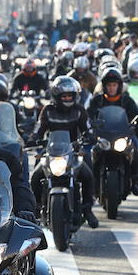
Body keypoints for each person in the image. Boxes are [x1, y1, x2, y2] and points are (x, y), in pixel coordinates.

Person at [29, 76, 98, 228]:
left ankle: (87, 209)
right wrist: (33, 138)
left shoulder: (79, 110)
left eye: (70, 95)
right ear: (56, 97)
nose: (67, 98)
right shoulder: (47, 110)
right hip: (52, 152)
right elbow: (39, 129)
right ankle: (35, 208)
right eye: (64, 96)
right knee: (35, 177)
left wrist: (90, 136)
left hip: (73, 152)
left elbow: (87, 129)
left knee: (88, 176)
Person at [88, 67, 138, 195]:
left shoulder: (126, 100)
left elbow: (136, 115)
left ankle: (135, 180)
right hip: (102, 136)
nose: (112, 88)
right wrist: (91, 124)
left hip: (123, 135)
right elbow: (89, 116)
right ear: (104, 86)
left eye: (114, 85)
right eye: (109, 85)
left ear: (119, 86)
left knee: (137, 147)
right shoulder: (97, 100)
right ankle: (92, 184)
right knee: (89, 153)